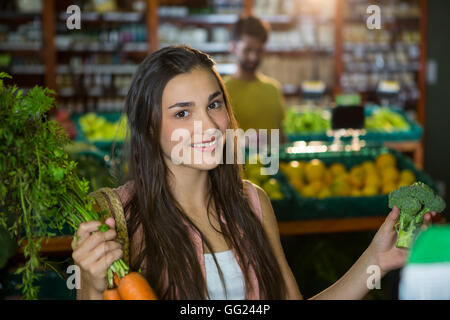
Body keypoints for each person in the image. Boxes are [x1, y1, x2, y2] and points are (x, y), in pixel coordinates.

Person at [71, 45, 436, 300]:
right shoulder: (117, 218)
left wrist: (375, 260)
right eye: (183, 113)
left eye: (213, 105)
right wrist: (89, 283)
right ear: (150, 128)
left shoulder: (252, 203)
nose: (210, 126)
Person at [224, 15, 286, 141]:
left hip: (273, 161)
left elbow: (282, 137)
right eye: (247, 50)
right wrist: (244, 142)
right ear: (233, 47)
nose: (254, 57)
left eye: (259, 50)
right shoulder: (222, 91)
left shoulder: (273, 89)